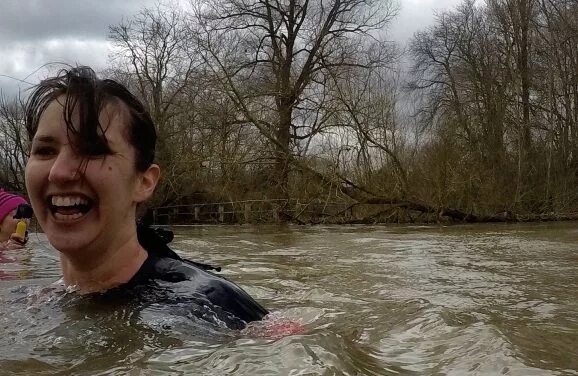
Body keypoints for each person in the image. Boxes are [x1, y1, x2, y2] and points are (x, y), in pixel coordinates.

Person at [24, 66, 267, 329]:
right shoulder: (37, 303)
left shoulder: (213, 304)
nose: (58, 172)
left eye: (92, 150)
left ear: (144, 182)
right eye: (45, 150)